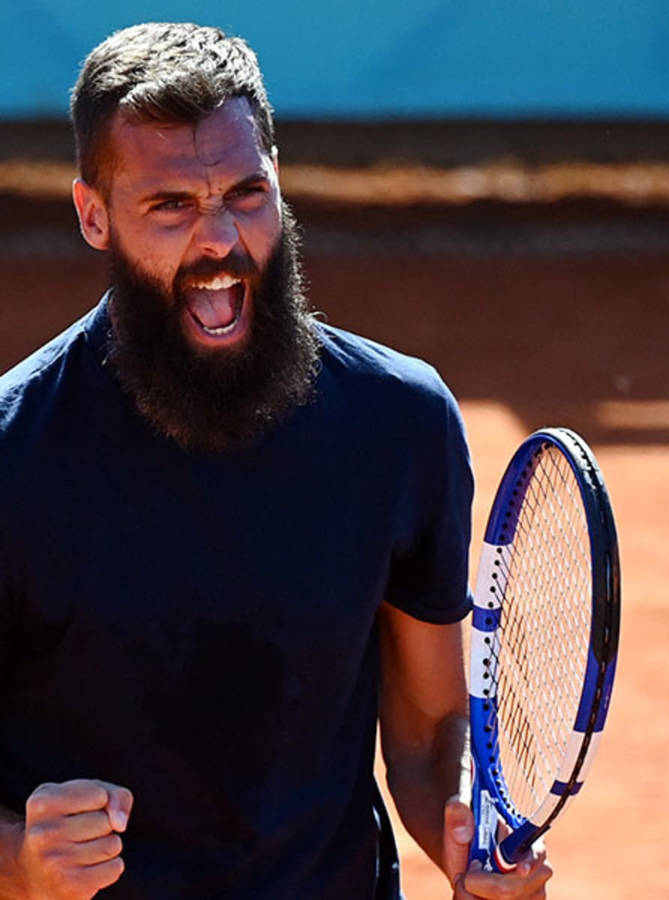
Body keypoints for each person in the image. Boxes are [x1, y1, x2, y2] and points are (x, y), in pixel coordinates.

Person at [0, 22, 552, 900]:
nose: (220, 241)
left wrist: (462, 827)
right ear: (93, 215)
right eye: (171, 205)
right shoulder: (12, 458)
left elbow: (429, 730)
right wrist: (17, 863)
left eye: (247, 194)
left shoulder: (396, 422)